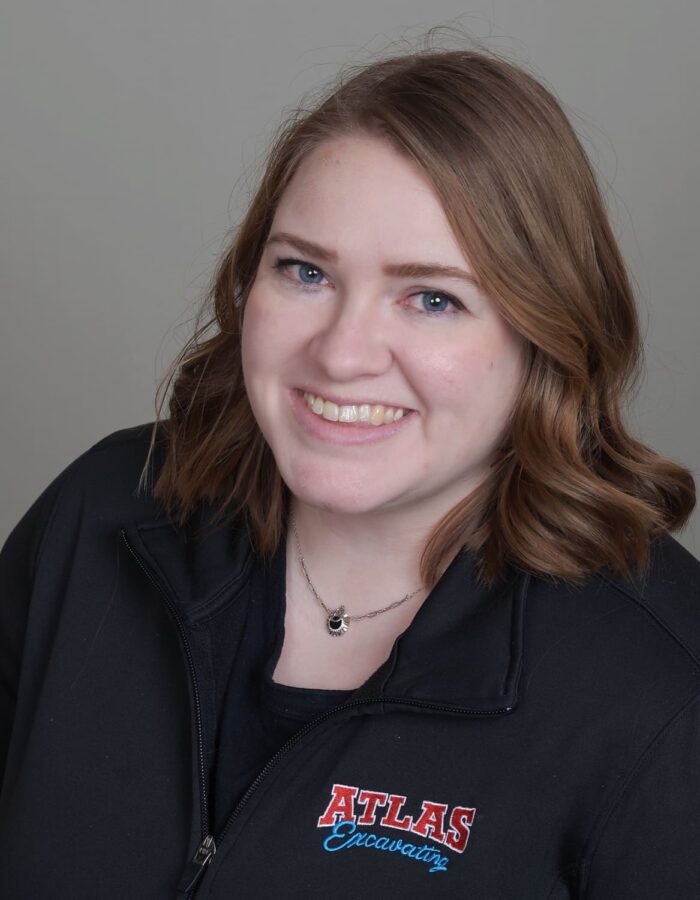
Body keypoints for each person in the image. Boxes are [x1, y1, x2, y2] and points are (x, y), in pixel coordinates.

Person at [0, 44, 698, 900]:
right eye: (306, 271)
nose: (341, 353)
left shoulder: (662, 688)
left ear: (545, 339)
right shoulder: (101, 512)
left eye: (433, 298)